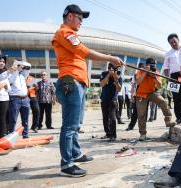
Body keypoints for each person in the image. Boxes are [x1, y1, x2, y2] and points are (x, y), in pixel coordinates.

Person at [52, 4, 124, 177]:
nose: (81, 22)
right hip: (71, 82)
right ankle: (66, 164)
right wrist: (110, 58)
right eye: (79, 18)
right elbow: (83, 51)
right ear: (69, 16)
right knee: (69, 126)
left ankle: (75, 154)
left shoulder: (71, 34)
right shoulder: (65, 33)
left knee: (75, 124)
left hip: (77, 83)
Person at [135, 58, 175, 141]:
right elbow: (138, 82)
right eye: (150, 65)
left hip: (152, 93)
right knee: (141, 114)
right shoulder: (141, 71)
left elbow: (159, 86)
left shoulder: (156, 72)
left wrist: (154, 77)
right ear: (146, 65)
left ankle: (168, 121)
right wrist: (145, 72)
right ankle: (143, 134)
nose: (153, 67)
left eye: (154, 66)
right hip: (141, 94)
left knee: (163, 101)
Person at [7, 61, 31, 139]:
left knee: (25, 120)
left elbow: (29, 66)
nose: (21, 68)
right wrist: (16, 69)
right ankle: (11, 137)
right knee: (13, 119)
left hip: (25, 99)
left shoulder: (23, 75)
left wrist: (21, 65)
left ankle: (25, 135)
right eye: (19, 66)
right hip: (15, 99)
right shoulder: (10, 74)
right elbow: (10, 81)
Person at [100, 64, 122, 141]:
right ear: (109, 68)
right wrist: (109, 75)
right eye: (113, 69)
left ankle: (113, 135)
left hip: (113, 100)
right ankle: (108, 133)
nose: (114, 71)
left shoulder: (118, 75)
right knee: (105, 118)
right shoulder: (104, 74)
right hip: (104, 99)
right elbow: (102, 84)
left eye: (115, 69)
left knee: (112, 118)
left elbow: (119, 89)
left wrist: (116, 79)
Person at [126, 63, 143, 131]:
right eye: (140, 68)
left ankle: (142, 128)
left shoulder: (146, 75)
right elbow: (133, 86)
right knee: (135, 112)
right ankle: (131, 126)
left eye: (142, 68)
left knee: (143, 113)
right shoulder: (135, 75)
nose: (141, 69)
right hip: (137, 95)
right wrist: (132, 95)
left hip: (144, 95)